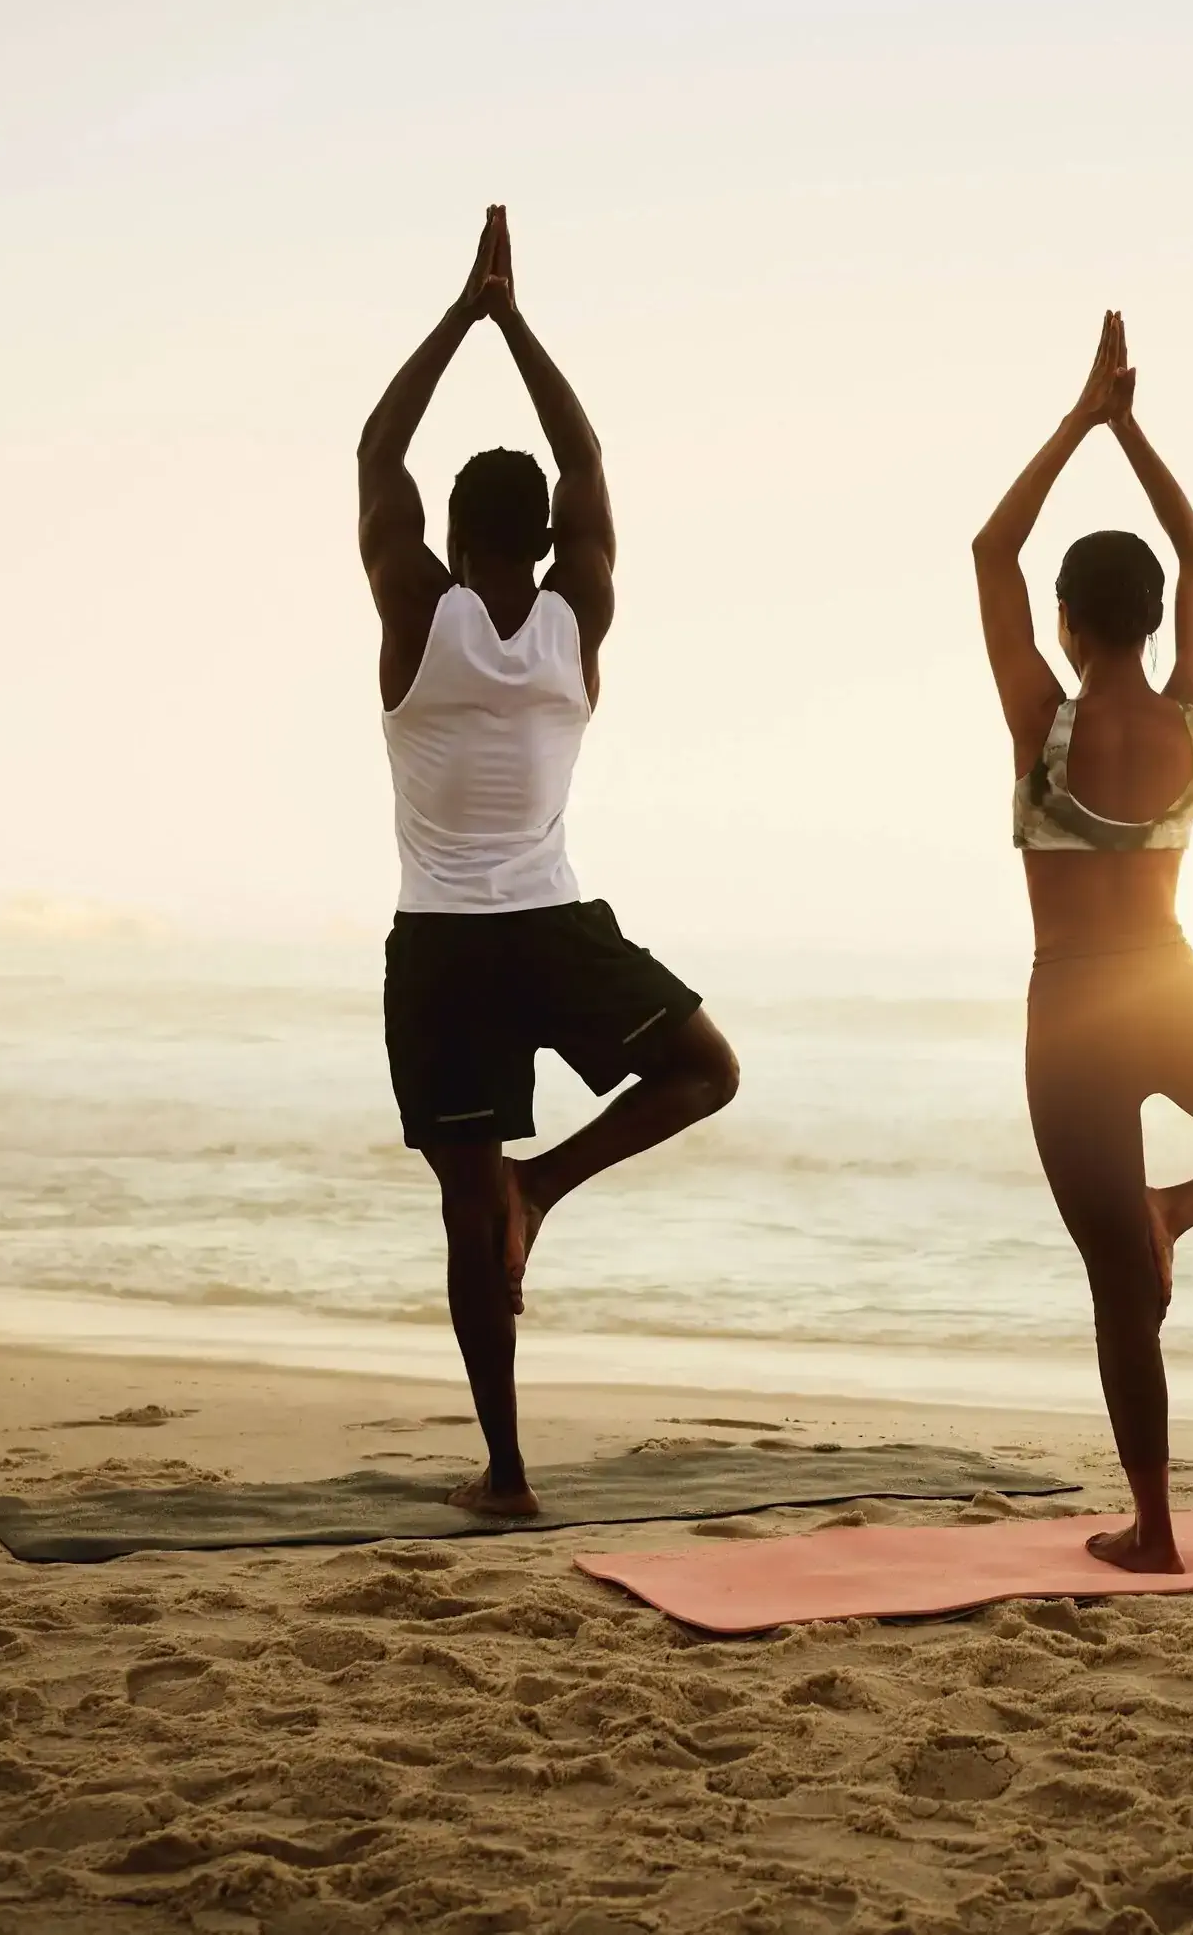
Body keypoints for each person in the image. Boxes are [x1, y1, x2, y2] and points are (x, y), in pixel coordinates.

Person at [356, 207, 739, 1517]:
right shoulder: (581, 615)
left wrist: (462, 315)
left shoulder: (419, 608)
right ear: (548, 537)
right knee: (706, 1069)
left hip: (444, 944)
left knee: (469, 1211)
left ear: (456, 535)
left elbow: (375, 450)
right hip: (555, 923)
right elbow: (587, 456)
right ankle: (550, 1183)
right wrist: (519, 323)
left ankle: (509, 1475)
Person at [970, 311, 1193, 1572]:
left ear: (1070, 620)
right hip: (1174, 989)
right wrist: (1137, 433)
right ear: (1156, 618)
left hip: (1071, 1015)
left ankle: (1159, 1526)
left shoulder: (1040, 720)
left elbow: (989, 547)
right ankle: (1178, 1209)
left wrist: (1080, 420)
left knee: (1117, 1288)